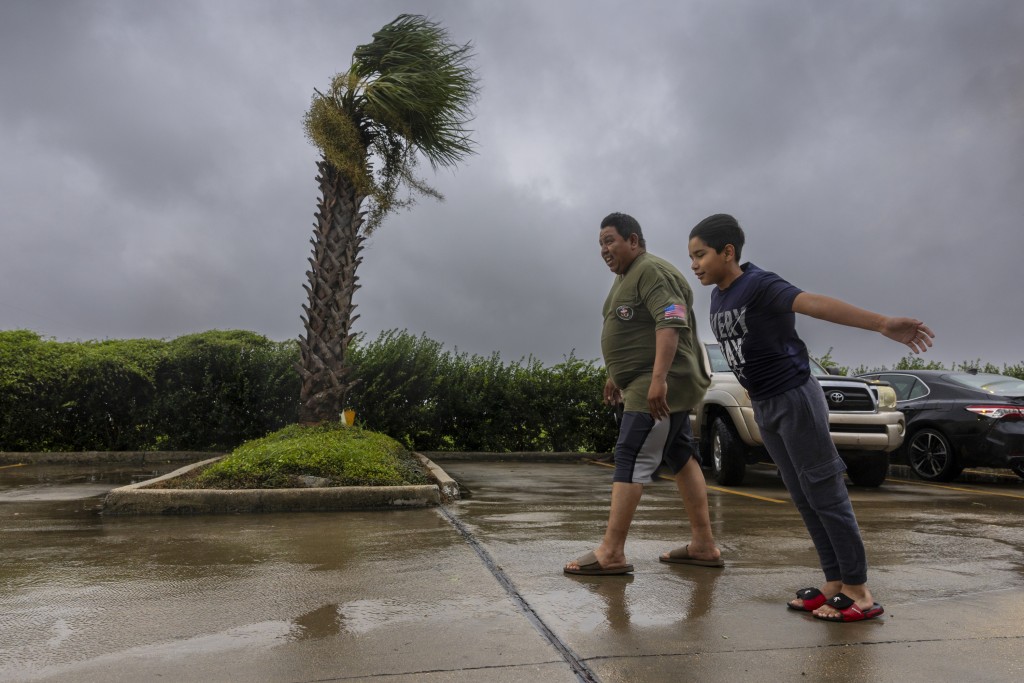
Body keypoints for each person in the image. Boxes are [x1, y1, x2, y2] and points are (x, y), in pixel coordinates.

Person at [687, 213, 935, 622]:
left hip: (795, 397)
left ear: (727, 252)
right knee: (801, 494)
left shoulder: (760, 284)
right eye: (691, 257)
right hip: (765, 404)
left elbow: (814, 303)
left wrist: (882, 324)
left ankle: (859, 589)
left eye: (701, 255)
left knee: (824, 490)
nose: (694, 264)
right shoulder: (719, 296)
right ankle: (834, 581)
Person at [564, 212, 723, 576]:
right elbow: (629, 329)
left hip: (658, 384)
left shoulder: (652, 271)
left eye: (609, 241)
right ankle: (703, 545)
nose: (604, 249)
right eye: (600, 244)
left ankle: (612, 552)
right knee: (681, 456)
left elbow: (671, 320)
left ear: (633, 240)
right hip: (639, 380)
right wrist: (613, 374)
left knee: (630, 454)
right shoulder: (625, 278)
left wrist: (658, 380)